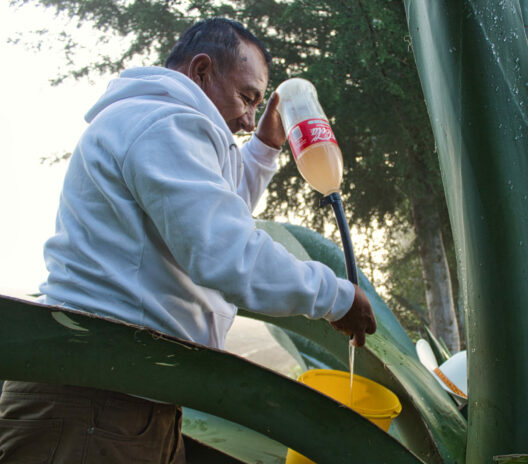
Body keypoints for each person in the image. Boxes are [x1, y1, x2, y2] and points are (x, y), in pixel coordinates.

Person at [0, 18, 376, 463]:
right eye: (246, 97)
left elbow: (214, 210)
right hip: (96, 407)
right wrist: (335, 296)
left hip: (117, 400)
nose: (247, 119)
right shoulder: (163, 121)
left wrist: (267, 144)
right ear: (201, 72)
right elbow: (224, 251)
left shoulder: (151, 120)